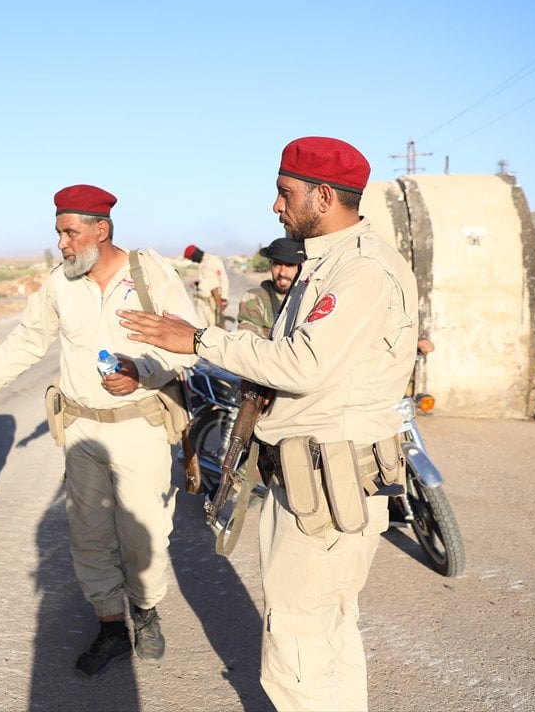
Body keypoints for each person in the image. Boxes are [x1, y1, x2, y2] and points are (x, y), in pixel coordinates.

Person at [119, 136, 418, 711]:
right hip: (314, 479)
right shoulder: (327, 261)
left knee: (300, 645)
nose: (275, 206)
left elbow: (303, 363)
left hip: (328, 487)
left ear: (324, 195)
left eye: (285, 193)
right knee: (326, 632)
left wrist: (201, 338)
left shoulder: (360, 269)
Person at [0, 184, 198, 678]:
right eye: (59, 232)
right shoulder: (61, 283)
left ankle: (145, 613)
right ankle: (110, 625)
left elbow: (186, 342)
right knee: (88, 535)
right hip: (83, 429)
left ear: (100, 230)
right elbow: (27, 340)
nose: (62, 243)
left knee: (143, 534)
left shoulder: (150, 275)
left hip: (139, 428)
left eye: (70, 232)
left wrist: (141, 373)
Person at [237, 237, 307, 338]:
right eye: (277, 265)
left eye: (289, 265)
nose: (282, 272)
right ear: (270, 265)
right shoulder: (256, 297)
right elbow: (248, 341)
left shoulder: (307, 297)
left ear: (301, 267)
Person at [183, 244, 230, 327]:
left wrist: (224, 298)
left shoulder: (213, 260)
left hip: (211, 302)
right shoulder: (202, 263)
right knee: (201, 328)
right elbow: (208, 280)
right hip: (200, 301)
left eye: (192, 258)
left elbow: (223, 278)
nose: (193, 261)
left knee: (213, 329)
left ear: (195, 254)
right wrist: (197, 284)